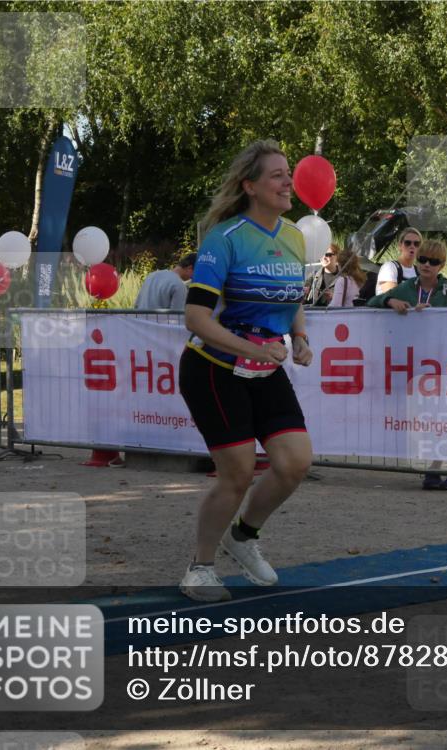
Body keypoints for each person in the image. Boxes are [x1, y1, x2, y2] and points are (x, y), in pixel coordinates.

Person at [177, 139, 313, 603]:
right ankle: (199, 567)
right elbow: (196, 320)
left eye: (288, 173)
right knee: (235, 474)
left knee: (295, 462)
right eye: (277, 175)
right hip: (212, 368)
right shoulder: (224, 238)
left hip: (262, 367)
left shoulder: (295, 236)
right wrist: (250, 350)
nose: (287, 182)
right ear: (250, 186)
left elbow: (290, 297)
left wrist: (300, 338)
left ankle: (244, 536)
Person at [368, 239, 447, 489]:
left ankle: (439, 468)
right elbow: (371, 302)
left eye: (433, 262)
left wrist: (429, 316)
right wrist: (390, 302)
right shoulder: (407, 287)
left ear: (441, 265)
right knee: (426, 417)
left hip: (440, 361)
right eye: (422, 259)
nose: (426, 265)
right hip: (412, 362)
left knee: (437, 416)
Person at [376, 227, 422, 293]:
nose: (412, 246)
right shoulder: (389, 267)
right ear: (400, 246)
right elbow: (391, 296)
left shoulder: (419, 272)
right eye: (407, 243)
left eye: (416, 244)